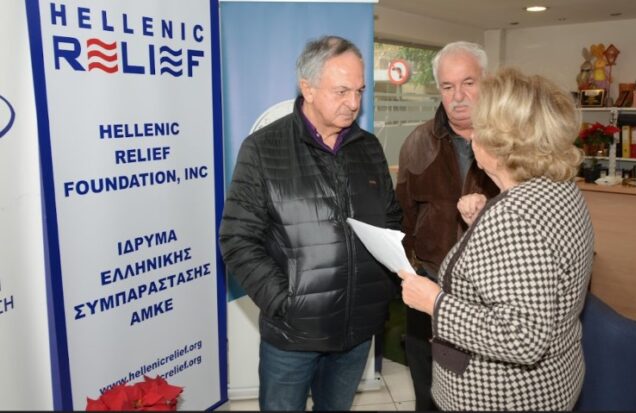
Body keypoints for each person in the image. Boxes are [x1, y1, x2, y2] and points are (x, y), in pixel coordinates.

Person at [218, 35, 402, 411]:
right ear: (308, 88)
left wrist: (380, 290)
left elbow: (391, 219)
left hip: (357, 331)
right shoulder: (263, 149)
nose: (354, 103)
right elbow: (237, 238)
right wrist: (285, 302)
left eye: (359, 91)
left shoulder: (368, 147)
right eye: (341, 91)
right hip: (293, 336)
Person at [397, 67, 595, 410]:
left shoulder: (514, 218)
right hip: (553, 382)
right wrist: (484, 221)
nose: (472, 137)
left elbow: (522, 338)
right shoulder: (558, 189)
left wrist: (435, 303)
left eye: (479, 128)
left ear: (503, 145)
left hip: (503, 397)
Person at [395, 41, 499, 411]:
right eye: (447, 86)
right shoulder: (417, 142)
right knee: (427, 387)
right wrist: (411, 271)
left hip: (492, 294)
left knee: (479, 392)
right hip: (431, 283)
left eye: (468, 83)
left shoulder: (512, 142)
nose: (458, 97)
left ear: (487, 82)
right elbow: (403, 215)